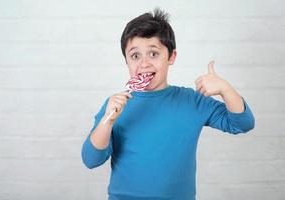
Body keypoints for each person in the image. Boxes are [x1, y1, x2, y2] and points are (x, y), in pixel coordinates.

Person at [81, 8, 255, 200]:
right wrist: (108, 120)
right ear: (127, 61)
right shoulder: (114, 107)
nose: (144, 63)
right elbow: (91, 160)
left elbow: (242, 123)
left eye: (153, 54)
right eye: (135, 56)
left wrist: (225, 89)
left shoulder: (193, 101)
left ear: (171, 57)